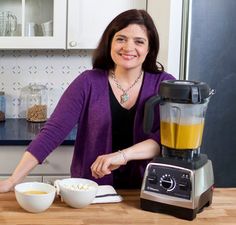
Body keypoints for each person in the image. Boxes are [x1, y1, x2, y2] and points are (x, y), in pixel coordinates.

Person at [0, 9, 175, 192]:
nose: (128, 47)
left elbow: (165, 139)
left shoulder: (164, 84)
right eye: (121, 39)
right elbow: (52, 132)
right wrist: (12, 181)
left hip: (147, 191)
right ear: (110, 43)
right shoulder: (88, 82)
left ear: (149, 48)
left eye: (139, 41)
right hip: (90, 191)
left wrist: (122, 156)